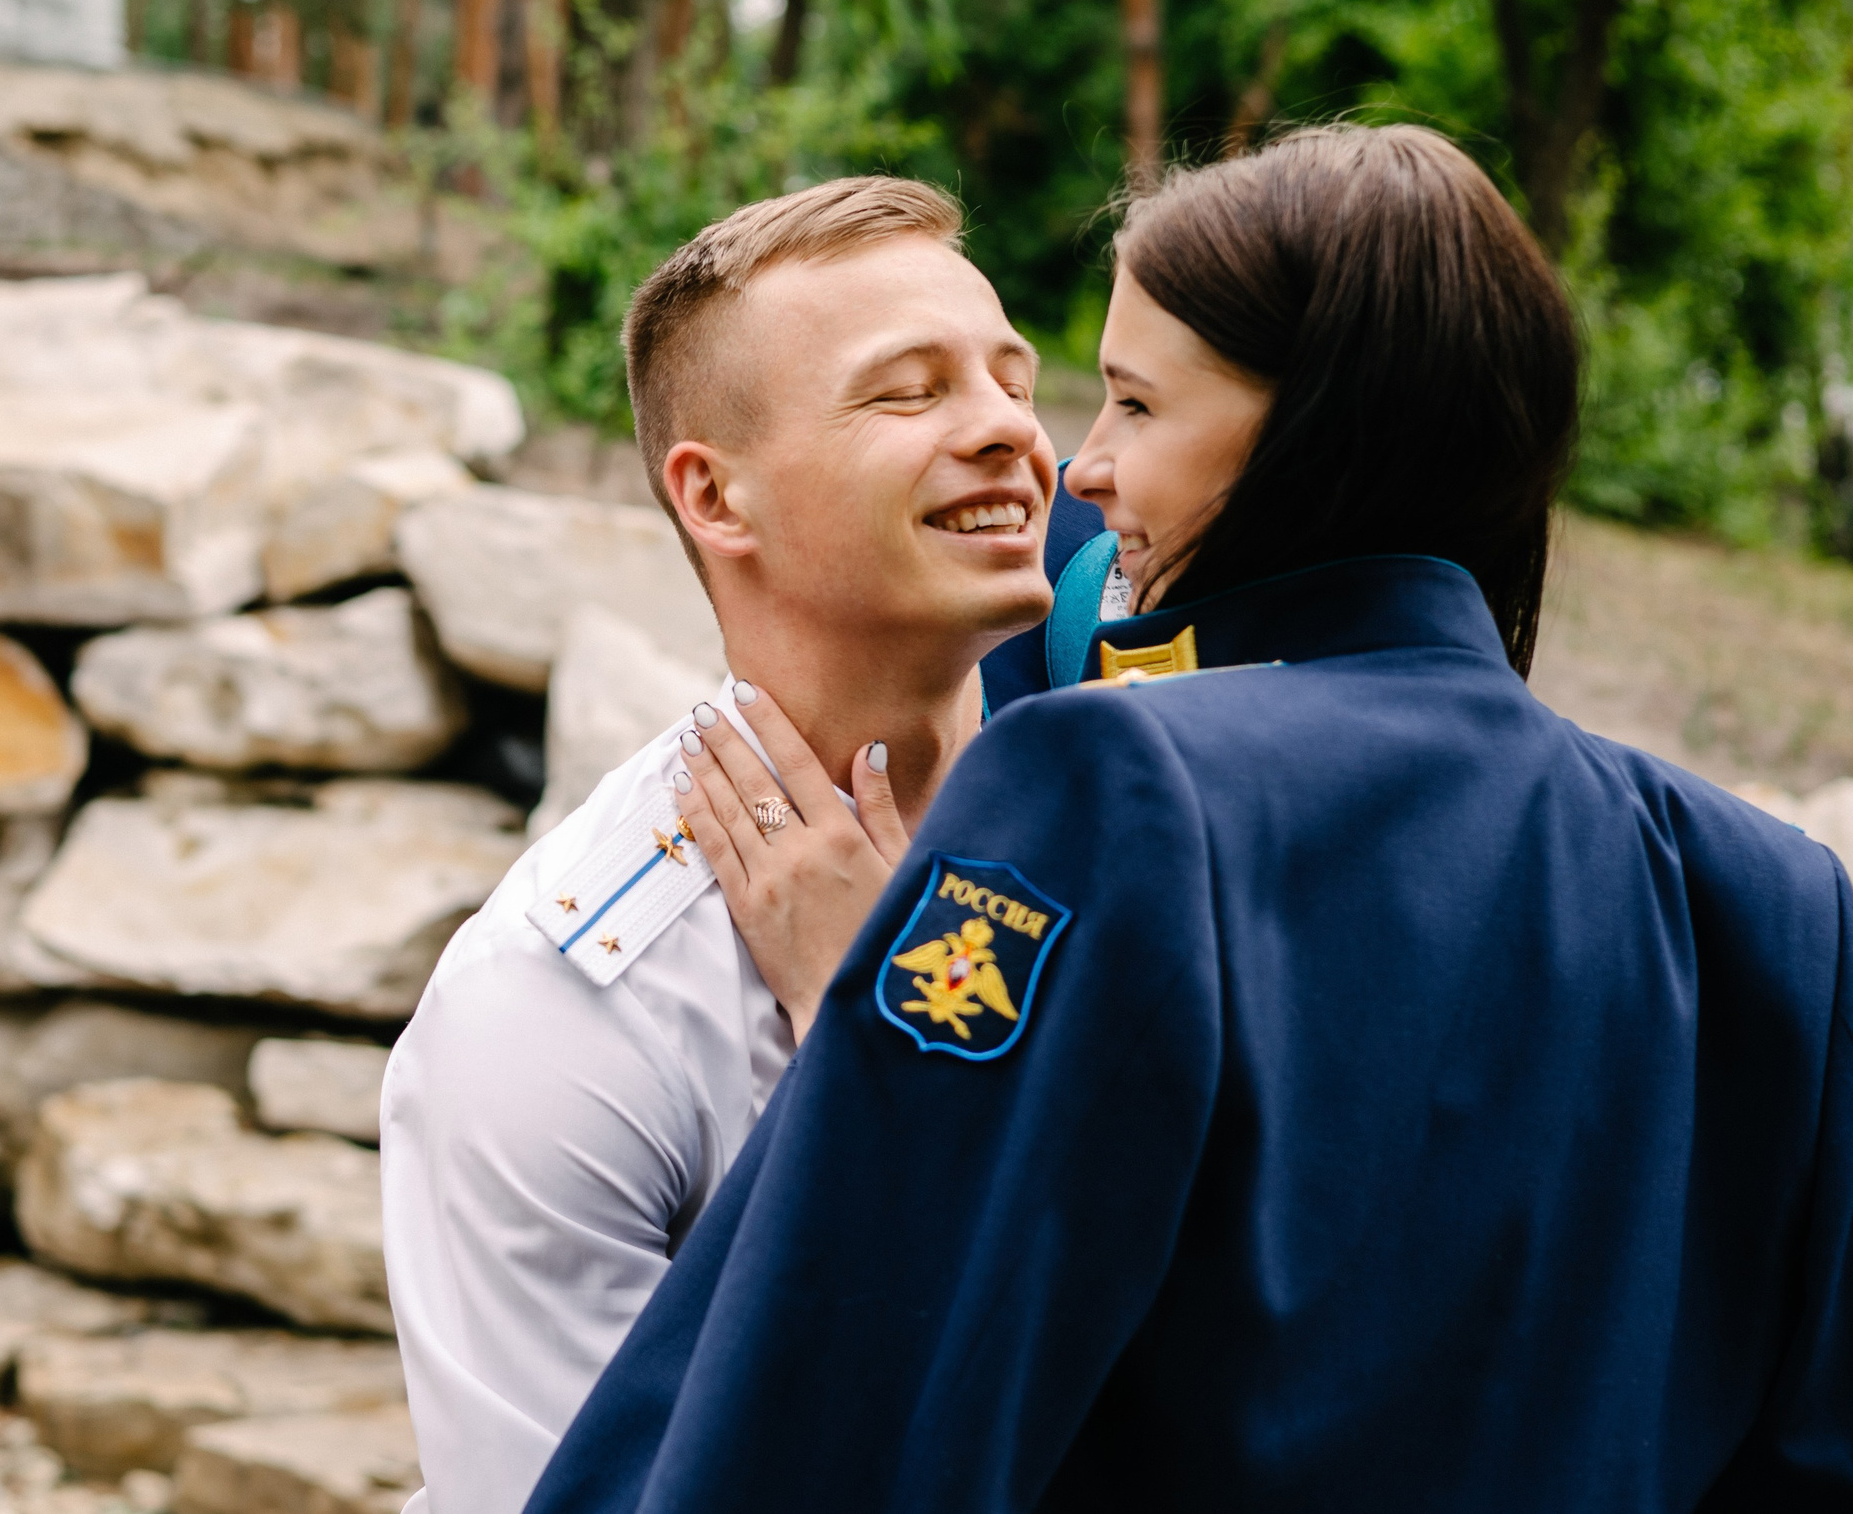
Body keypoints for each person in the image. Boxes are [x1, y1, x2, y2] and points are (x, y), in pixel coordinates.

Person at [526, 124, 1853, 1513]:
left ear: (1319, 438)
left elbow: (849, 1404)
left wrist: (858, 1035)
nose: (1080, 471)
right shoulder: (1779, 907)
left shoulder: (1106, 787)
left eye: (1137, 407)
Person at [379, 176, 1108, 1514]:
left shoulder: (1142, 840)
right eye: (909, 391)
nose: (1009, 429)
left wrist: (897, 1020)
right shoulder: (555, 1016)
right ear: (719, 499)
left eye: (1013, 379)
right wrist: (872, 1082)